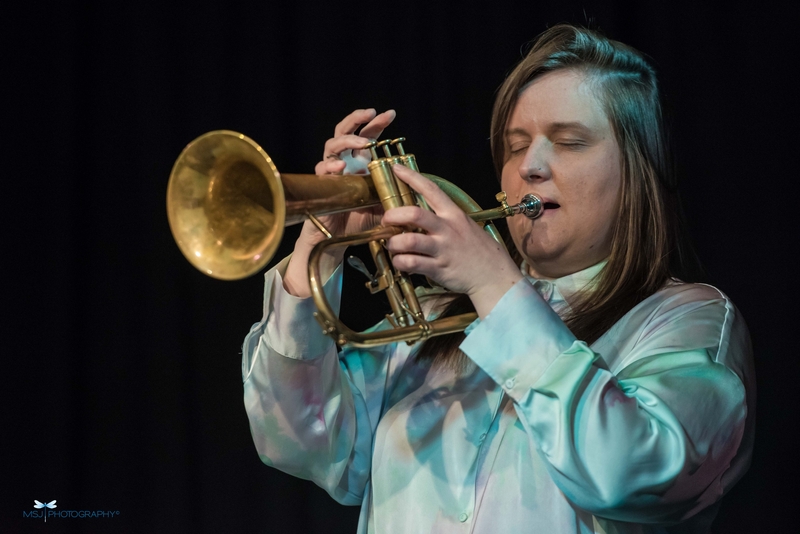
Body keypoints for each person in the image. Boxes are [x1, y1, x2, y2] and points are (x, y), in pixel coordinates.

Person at [242, 24, 755, 533]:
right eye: (514, 146)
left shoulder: (690, 319)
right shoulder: (439, 315)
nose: (530, 166)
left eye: (570, 142)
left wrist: (494, 286)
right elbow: (297, 441)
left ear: (637, 169)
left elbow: (630, 472)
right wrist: (320, 245)